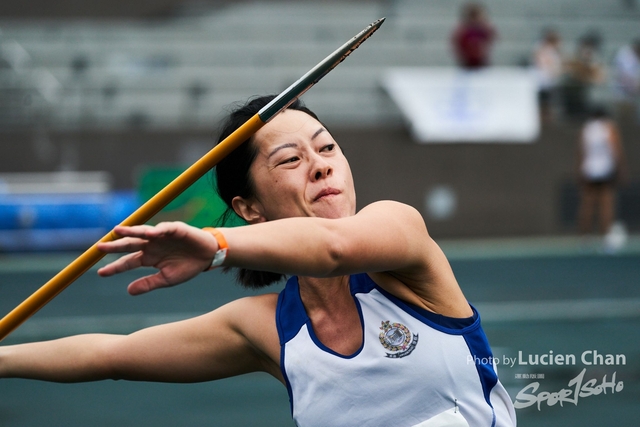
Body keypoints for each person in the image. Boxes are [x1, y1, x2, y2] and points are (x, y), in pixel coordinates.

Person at [0, 95, 517, 426]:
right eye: (290, 160)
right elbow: (108, 356)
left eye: (328, 148)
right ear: (249, 209)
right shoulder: (267, 329)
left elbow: (333, 248)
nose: (320, 167)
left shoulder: (400, 233)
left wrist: (218, 246)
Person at [577, 106, 627, 247]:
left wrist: (580, 170)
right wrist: (621, 168)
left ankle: (585, 236)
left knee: (587, 203)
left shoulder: (586, 129)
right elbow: (615, 149)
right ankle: (606, 235)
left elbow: (581, 151)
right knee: (606, 203)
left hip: (589, 169)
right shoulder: (609, 127)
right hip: (604, 169)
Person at [451, 2, 497, 69]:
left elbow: (492, 38)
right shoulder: (463, 31)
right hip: (466, 62)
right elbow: (456, 43)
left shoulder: (484, 29)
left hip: (482, 61)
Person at [532, 28, 564, 122]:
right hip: (541, 79)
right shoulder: (541, 47)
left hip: (549, 80)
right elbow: (541, 62)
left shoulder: (554, 51)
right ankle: (541, 115)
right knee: (541, 99)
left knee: (548, 99)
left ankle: (547, 116)